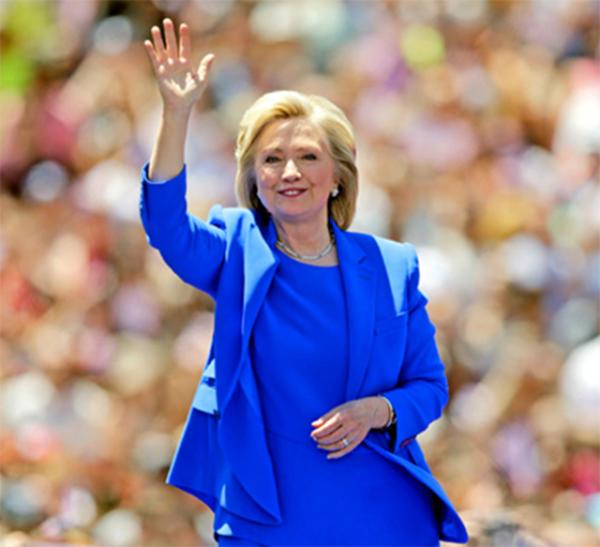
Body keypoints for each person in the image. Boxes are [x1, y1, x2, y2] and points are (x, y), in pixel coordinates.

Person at [140, 18, 469, 546]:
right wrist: (176, 113)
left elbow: (429, 387)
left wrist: (376, 411)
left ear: (338, 174)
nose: (289, 171)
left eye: (308, 156)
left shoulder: (391, 265)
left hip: (381, 513)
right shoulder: (235, 249)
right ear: (253, 177)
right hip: (267, 513)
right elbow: (167, 228)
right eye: (272, 159)